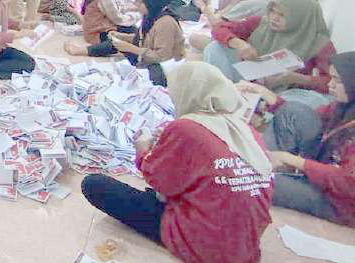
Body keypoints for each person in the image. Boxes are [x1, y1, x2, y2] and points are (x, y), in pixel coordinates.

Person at [81, 62, 273, 263]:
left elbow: (159, 181)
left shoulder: (186, 127)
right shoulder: (247, 131)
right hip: (245, 246)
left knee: (95, 185)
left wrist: (143, 150)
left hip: (207, 245)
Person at [246, 51, 355, 227]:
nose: (331, 85)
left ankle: (261, 169)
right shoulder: (343, 107)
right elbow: (305, 117)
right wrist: (267, 95)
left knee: (262, 184)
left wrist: (296, 162)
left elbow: (347, 184)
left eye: (338, 80)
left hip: (340, 201)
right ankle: (261, 164)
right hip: (325, 167)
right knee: (294, 111)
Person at [205, 0, 336, 109]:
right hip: (245, 81)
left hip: (283, 93)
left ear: (299, 18)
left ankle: (261, 109)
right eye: (272, 11)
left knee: (319, 101)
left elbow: (332, 82)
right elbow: (219, 28)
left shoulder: (320, 43)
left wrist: (298, 78)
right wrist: (240, 44)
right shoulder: (261, 23)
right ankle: (225, 95)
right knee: (215, 48)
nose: (274, 18)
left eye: (282, 15)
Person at [106, 0, 185, 86]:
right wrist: (122, 36)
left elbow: (161, 57)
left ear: (151, 2)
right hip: (148, 61)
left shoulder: (166, 23)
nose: (136, 5)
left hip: (163, 69)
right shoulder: (150, 15)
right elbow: (146, 38)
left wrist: (131, 48)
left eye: (140, 2)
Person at [65, 0, 137, 57]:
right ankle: (83, 50)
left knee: (132, 33)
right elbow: (118, 19)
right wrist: (135, 16)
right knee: (122, 41)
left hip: (90, 29)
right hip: (96, 33)